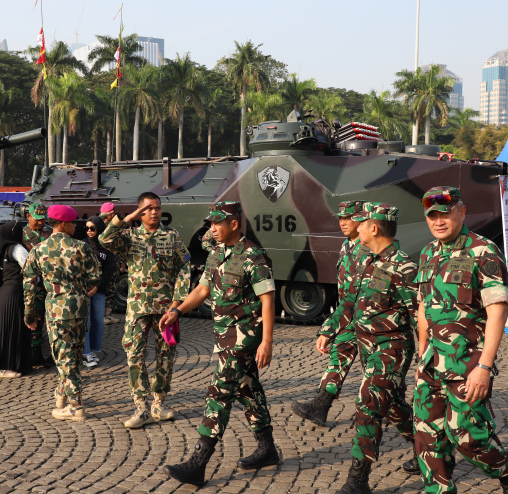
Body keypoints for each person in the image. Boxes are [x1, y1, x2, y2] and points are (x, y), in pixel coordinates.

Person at [413, 186, 508, 494]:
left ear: (461, 212)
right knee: (427, 437)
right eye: (432, 216)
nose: (438, 221)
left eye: (445, 214)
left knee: (467, 436)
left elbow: (498, 311)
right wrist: (421, 353)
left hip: (467, 364)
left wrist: (485, 367)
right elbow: (423, 308)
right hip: (430, 363)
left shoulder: (483, 251)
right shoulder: (428, 253)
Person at [161, 201, 278, 487]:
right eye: (210, 223)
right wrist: (177, 310)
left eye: (217, 223)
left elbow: (268, 299)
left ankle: (197, 464)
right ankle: (267, 449)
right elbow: (202, 289)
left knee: (220, 393)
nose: (212, 228)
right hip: (224, 335)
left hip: (243, 338)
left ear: (234, 224)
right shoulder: (217, 253)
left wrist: (267, 342)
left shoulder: (253, 256)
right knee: (248, 389)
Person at [336, 202, 420, 494]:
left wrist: (428, 359)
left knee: (369, 403)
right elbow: (351, 303)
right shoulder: (366, 260)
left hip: (392, 348)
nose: (356, 227)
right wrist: (329, 331)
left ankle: (358, 481)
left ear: (374, 228)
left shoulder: (404, 266)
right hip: (367, 347)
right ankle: (427, 448)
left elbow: (420, 315)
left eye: (362, 223)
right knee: (394, 407)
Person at [99, 192, 191, 429]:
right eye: (148, 208)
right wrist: (127, 218)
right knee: (135, 355)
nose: (153, 212)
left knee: (166, 356)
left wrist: (177, 302)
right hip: (137, 307)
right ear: (140, 212)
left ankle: (159, 404)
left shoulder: (171, 236)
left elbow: (184, 268)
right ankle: (141, 407)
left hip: (165, 309)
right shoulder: (129, 237)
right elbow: (104, 240)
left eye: (157, 208)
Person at [292, 200, 367, 427]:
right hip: (349, 318)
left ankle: (387, 410)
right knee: (338, 357)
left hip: (368, 319)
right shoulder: (347, 245)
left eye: (349, 218)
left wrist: (329, 328)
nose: (343, 223)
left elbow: (355, 296)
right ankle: (320, 406)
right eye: (341, 218)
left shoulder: (367, 249)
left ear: (362, 220)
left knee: (377, 371)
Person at [24, 204, 100, 422]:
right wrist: (80, 286)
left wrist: (30, 313)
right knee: (73, 356)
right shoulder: (81, 248)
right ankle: (61, 394)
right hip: (80, 308)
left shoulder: (38, 249)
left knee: (64, 357)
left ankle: (75, 407)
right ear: (64, 224)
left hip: (57, 311)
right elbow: (95, 276)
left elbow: (29, 283)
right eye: (74, 222)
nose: (76, 226)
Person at [0, 220, 33, 378]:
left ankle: (3, 365)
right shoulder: (18, 249)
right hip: (15, 292)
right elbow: (31, 269)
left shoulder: (5, 250)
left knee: (7, 329)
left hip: (6, 292)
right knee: (13, 329)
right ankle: (6, 367)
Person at [82, 215, 116, 367]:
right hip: (84, 290)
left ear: (99, 229)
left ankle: (93, 349)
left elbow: (109, 271)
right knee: (85, 322)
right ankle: (86, 353)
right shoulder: (82, 245)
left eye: (92, 228)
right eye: (87, 228)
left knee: (97, 321)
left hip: (99, 289)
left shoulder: (107, 248)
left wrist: (97, 287)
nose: (89, 231)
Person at [23, 203, 53, 368]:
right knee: (34, 318)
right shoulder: (22, 234)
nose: (41, 223)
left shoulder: (50, 232)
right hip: (32, 283)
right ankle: (35, 354)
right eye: (37, 219)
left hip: (49, 282)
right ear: (28, 216)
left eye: (43, 219)